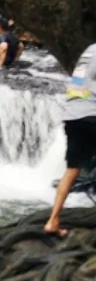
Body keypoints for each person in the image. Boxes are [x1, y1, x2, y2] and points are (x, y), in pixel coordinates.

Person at [44, 44, 96, 237]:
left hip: (73, 114)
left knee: (72, 170)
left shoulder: (89, 50)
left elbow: (79, 80)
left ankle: (53, 220)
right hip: (93, 114)